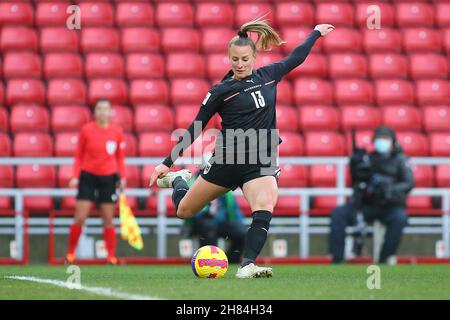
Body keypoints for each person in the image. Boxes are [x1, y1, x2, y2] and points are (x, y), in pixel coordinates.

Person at [149, 16, 335, 278]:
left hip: (260, 159)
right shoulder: (221, 91)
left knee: (265, 205)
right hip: (227, 159)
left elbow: (297, 57)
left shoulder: (269, 75)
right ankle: (178, 181)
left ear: (254, 57)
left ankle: (246, 265)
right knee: (185, 211)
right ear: (229, 58)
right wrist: (166, 163)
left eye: (245, 59)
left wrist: (315, 33)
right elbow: (196, 126)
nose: (240, 64)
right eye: (235, 59)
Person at [329, 126, 414, 264]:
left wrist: (389, 189)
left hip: (390, 205)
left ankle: (384, 257)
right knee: (338, 214)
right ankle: (337, 259)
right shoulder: (368, 159)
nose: (382, 142)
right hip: (367, 204)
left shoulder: (401, 160)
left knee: (399, 218)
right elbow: (357, 182)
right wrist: (354, 164)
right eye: (379, 139)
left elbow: (409, 183)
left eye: (385, 139)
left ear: (393, 141)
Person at [65, 99, 126, 265]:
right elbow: (78, 155)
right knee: (80, 216)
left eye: (106, 109)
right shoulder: (86, 130)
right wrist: (76, 175)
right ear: (95, 112)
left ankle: (110, 256)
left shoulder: (117, 131)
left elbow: (120, 157)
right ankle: (70, 254)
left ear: (110, 112)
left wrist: (122, 176)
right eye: (99, 109)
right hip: (88, 177)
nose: (102, 112)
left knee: (108, 218)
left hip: (108, 177)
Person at [183, 171, 246, 264]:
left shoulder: (225, 183)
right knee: (209, 228)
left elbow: (233, 208)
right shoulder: (193, 184)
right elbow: (190, 210)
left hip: (221, 221)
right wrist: (207, 211)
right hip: (200, 221)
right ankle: (208, 261)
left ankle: (232, 260)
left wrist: (239, 223)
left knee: (241, 233)